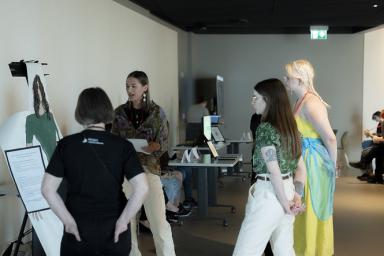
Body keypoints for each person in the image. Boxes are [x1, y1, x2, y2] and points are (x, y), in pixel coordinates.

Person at [41, 87, 148, 256]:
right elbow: (142, 188)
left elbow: (47, 190)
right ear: (107, 111)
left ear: (80, 111)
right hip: (114, 229)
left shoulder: (66, 145)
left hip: (78, 229)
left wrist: (68, 222)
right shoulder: (123, 146)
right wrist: (123, 221)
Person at [233, 78, 307, 256]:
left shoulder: (265, 129)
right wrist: (295, 197)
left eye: (255, 97)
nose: (252, 101)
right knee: (284, 250)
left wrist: (284, 203)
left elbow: (273, 171)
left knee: (245, 251)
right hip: (287, 191)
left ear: (268, 100)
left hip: (269, 194)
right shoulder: (292, 131)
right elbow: (301, 169)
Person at [112, 71, 176, 256]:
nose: (129, 90)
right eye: (127, 86)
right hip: (126, 173)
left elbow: (163, 144)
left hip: (149, 171)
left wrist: (150, 147)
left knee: (159, 223)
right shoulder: (119, 113)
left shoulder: (157, 113)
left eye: (134, 86)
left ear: (145, 87)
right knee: (126, 223)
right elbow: (114, 140)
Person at [285, 59, 337, 255]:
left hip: (313, 165)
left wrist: (331, 168)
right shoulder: (301, 101)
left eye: (288, 77)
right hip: (303, 161)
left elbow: (330, 138)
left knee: (310, 211)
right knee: (302, 211)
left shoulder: (311, 103)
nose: (285, 80)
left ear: (299, 80)